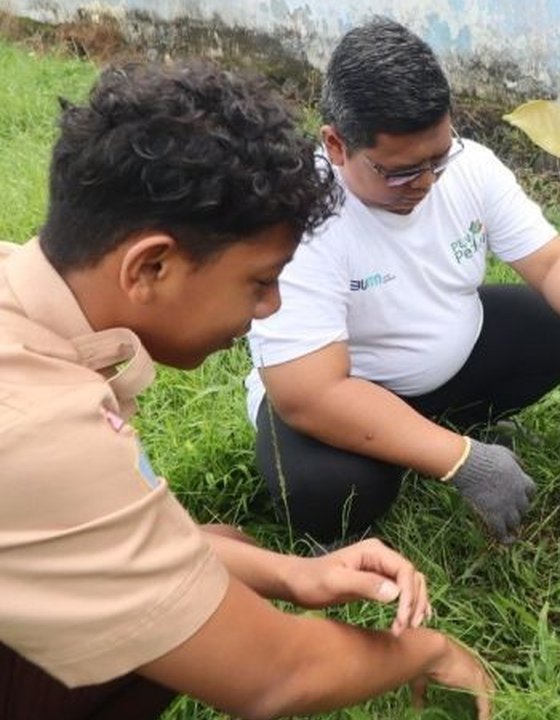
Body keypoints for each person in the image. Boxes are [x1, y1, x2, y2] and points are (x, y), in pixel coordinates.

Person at [0, 60, 492, 719]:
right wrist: (427, 652)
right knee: (164, 628)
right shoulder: (43, 432)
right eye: (259, 282)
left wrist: (295, 574)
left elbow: (74, 543)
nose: (270, 308)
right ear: (153, 266)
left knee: (224, 545)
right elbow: (278, 676)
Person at [245, 17, 560, 546]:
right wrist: (462, 462)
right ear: (336, 146)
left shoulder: (470, 168)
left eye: (437, 159)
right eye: (401, 171)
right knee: (332, 490)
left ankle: (448, 426)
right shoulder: (301, 218)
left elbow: (550, 262)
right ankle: (413, 457)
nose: (426, 183)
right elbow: (310, 395)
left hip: (445, 360)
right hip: (349, 390)